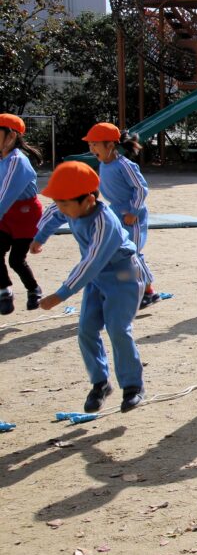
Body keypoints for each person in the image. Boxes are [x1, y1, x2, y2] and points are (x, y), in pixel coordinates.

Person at [30, 161, 148, 414]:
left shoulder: (105, 223)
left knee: (118, 329)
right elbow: (52, 213)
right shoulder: (70, 206)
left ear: (89, 200)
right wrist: (40, 237)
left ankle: (133, 386)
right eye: (59, 202)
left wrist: (61, 294)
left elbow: (91, 262)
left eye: (65, 204)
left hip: (123, 275)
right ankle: (100, 383)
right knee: (86, 329)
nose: (61, 208)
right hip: (96, 278)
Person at [83, 122, 162, 309]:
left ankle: (149, 292)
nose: (92, 149)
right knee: (117, 253)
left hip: (132, 215)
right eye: (90, 145)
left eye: (95, 144)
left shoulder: (125, 165)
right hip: (115, 212)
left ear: (110, 145)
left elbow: (141, 189)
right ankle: (127, 290)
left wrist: (133, 212)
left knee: (132, 253)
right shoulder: (104, 164)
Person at [0, 114, 43, 314]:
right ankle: (4, 290)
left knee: (16, 260)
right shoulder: (3, 158)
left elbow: (6, 195)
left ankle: (34, 289)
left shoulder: (17, 161)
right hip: (6, 214)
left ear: (11, 136)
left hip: (26, 215)